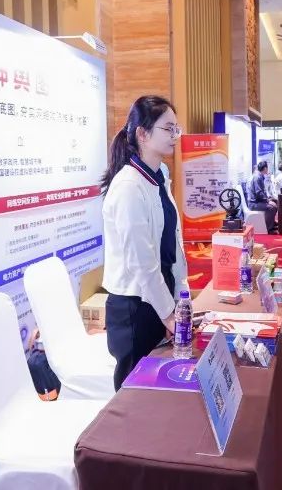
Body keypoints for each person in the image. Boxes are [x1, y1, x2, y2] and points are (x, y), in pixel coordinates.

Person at [100, 95, 189, 391]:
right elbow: (142, 262)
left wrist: (178, 298)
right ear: (142, 133)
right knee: (133, 393)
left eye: (176, 128)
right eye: (168, 128)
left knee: (158, 386)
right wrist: (168, 315)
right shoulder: (128, 186)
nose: (175, 135)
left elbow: (171, 243)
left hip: (158, 295)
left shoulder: (159, 174)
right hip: (134, 307)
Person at [249, 161, 278, 233]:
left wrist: (269, 199)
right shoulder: (257, 177)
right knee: (272, 207)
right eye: (267, 168)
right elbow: (259, 193)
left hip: (258, 201)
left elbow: (262, 192)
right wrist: (268, 201)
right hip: (254, 204)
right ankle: (269, 229)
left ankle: (272, 222)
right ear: (265, 168)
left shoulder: (260, 176)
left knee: (275, 201)